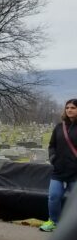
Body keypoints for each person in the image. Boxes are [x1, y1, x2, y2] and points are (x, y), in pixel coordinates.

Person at [40, 98, 77, 232]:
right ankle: (53, 222)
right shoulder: (59, 127)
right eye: (67, 108)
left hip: (75, 172)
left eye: (73, 108)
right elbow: (52, 145)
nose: (69, 110)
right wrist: (53, 158)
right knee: (54, 196)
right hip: (59, 170)